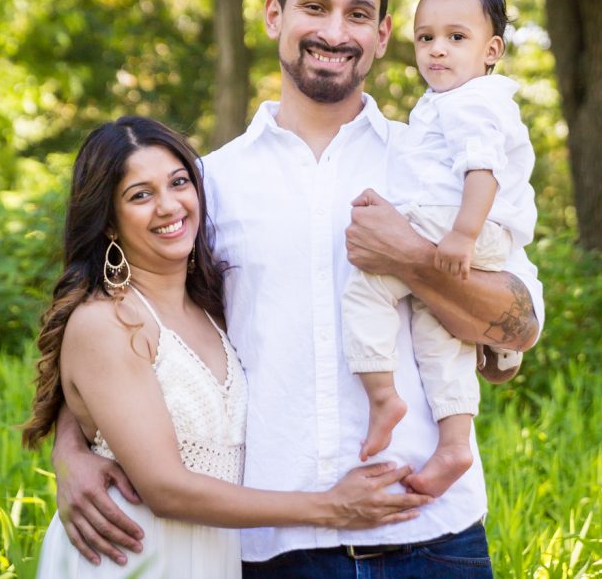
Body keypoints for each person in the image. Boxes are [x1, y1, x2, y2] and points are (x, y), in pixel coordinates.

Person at [53, 0, 544, 577]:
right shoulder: (209, 185)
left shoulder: (434, 162)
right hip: (281, 550)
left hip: (437, 537)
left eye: (358, 14)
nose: (335, 31)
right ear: (275, 14)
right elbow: (132, 326)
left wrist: (411, 259)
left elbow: (518, 324)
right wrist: (71, 444)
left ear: (383, 34)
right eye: (315, 6)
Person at [22, 116, 430, 578]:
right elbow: (164, 488)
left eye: (179, 183)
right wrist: (331, 508)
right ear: (109, 222)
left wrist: (71, 447)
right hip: (131, 554)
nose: (168, 205)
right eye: (141, 195)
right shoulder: (106, 320)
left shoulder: (213, 309)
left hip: (214, 557)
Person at [341, 0, 537, 498]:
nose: (437, 50)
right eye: (426, 38)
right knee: (437, 331)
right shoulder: (448, 102)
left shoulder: (471, 101)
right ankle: (454, 442)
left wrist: (460, 237)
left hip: (462, 224)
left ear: (492, 49)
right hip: (468, 229)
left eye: (456, 37)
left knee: (367, 284)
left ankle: (382, 396)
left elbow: (483, 170)